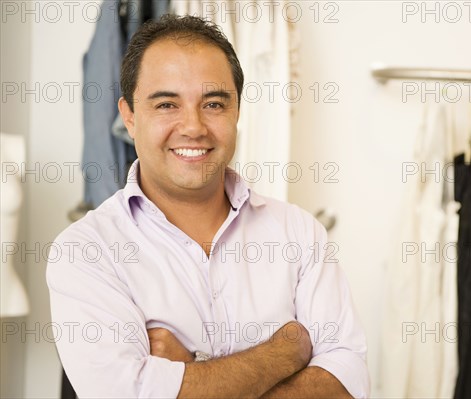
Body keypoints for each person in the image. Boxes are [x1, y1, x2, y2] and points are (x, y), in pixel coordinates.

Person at [47, 14, 369, 398]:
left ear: (237, 112)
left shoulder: (300, 233)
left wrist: (189, 373)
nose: (194, 127)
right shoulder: (85, 250)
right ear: (129, 118)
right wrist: (285, 353)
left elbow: (348, 383)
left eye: (213, 104)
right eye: (167, 104)